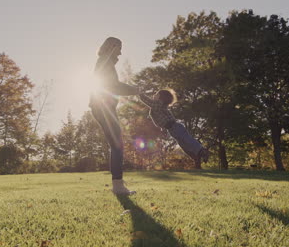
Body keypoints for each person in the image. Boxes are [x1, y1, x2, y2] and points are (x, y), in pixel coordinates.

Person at [89, 37, 139, 195]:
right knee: (117, 145)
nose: (121, 52)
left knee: (116, 144)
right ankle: (118, 186)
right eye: (119, 47)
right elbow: (114, 86)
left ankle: (118, 184)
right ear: (111, 46)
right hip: (103, 107)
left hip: (103, 107)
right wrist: (135, 90)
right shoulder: (105, 61)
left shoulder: (105, 62)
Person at [138, 89, 209, 168]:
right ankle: (196, 159)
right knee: (184, 145)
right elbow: (161, 119)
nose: (154, 95)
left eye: (156, 94)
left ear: (161, 98)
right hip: (172, 129)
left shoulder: (158, 104)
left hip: (175, 127)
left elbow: (149, 102)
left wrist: (140, 93)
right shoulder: (159, 106)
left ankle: (202, 151)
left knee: (187, 140)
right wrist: (163, 129)